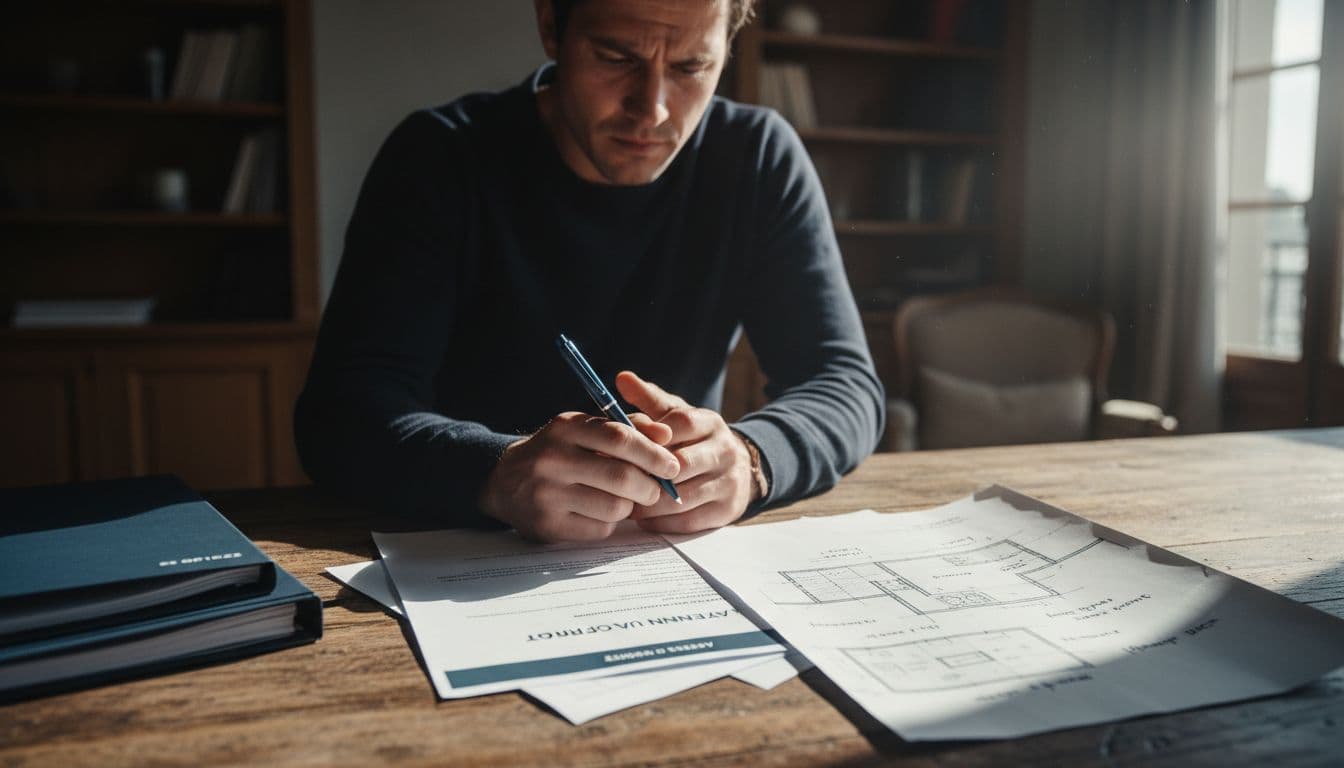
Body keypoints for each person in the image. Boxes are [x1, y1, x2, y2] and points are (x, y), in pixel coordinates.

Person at [294, 0, 884, 542]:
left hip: (661, 561)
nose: (651, 110)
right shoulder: (439, 157)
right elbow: (342, 414)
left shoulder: (756, 156)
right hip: (456, 555)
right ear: (551, 24)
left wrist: (753, 460)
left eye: (690, 68)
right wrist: (494, 474)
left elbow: (845, 384)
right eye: (616, 58)